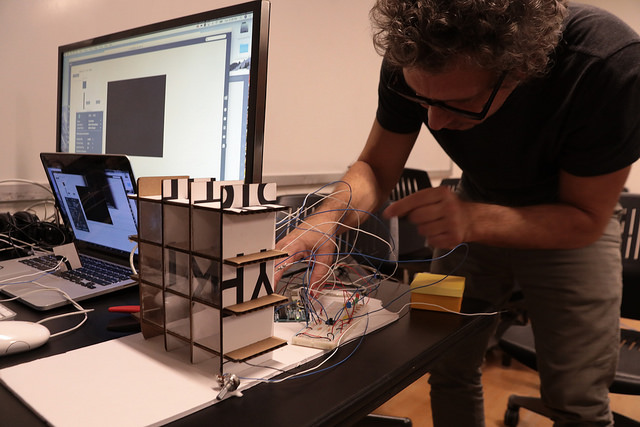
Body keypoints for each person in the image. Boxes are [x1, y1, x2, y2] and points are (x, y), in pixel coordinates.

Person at [275, 1, 640, 425]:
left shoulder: (610, 65)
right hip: (466, 222)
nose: (435, 120)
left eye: (460, 103)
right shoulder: (411, 55)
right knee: (442, 363)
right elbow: (375, 167)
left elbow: (587, 218)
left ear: (522, 68)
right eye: (421, 99)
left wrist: (472, 220)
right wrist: (327, 219)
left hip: (568, 230)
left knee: (578, 398)